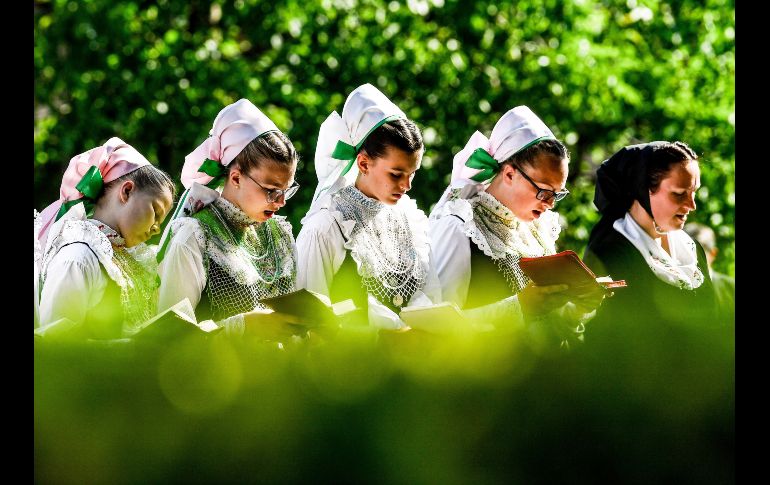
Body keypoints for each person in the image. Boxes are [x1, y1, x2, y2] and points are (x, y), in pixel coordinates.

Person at [428, 106, 605, 341]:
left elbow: (548, 324)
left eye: (557, 194)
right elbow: (435, 328)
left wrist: (577, 308)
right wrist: (519, 307)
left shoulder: (538, 231)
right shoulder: (460, 226)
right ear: (510, 174)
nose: (550, 204)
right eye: (544, 191)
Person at [296, 83, 441, 329]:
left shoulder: (411, 220)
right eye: (396, 174)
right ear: (363, 163)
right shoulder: (327, 225)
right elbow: (309, 318)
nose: (407, 185)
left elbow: (433, 296)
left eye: (412, 174)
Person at [157, 99, 302, 338]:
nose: (281, 201)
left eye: (287, 191)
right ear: (235, 178)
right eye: (272, 191)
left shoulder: (281, 235)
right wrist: (242, 327)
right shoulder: (195, 237)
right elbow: (169, 336)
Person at [36, 137, 176, 337]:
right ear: (127, 191)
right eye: (155, 212)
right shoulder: (78, 256)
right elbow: (55, 345)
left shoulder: (128, 260)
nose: (157, 229)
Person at [583, 141, 718, 335]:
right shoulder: (611, 252)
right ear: (643, 189)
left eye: (693, 192)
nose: (692, 205)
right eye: (679, 194)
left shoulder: (691, 248)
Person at [684, 222, 734, 326]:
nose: (691, 255)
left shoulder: (732, 289)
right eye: (684, 248)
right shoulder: (666, 286)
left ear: (713, 253)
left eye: (700, 249)